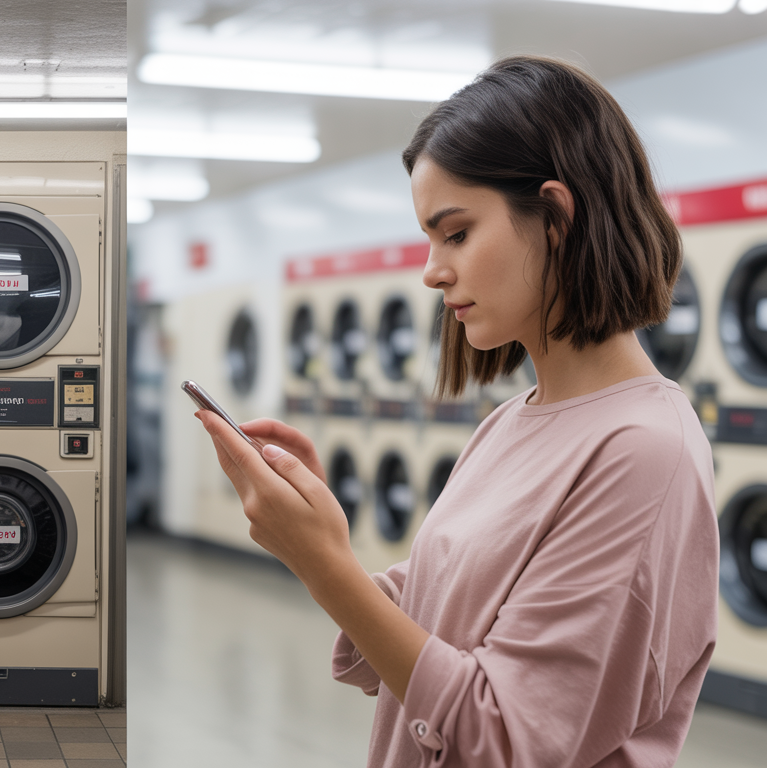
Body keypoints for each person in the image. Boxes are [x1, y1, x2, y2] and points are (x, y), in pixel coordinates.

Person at [198, 55, 718, 767]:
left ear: (556, 217)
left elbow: (502, 739)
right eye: (430, 238)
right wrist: (320, 536)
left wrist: (324, 567)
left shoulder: (642, 451)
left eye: (457, 232)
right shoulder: (509, 424)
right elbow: (428, 635)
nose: (432, 269)